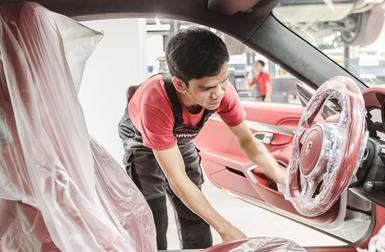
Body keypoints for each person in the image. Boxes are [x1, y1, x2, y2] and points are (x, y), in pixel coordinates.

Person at [118, 27, 286, 250]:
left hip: (180, 138)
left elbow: (247, 141)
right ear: (180, 84)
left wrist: (282, 177)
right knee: (152, 208)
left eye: (223, 82)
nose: (218, 94)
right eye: (207, 88)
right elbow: (176, 180)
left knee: (194, 205)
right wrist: (226, 229)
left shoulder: (222, 92)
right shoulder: (155, 103)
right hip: (142, 136)